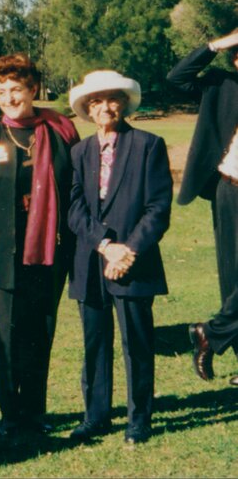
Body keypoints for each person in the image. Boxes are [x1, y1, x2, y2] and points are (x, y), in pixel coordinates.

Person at [0, 53, 79, 438]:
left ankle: (35, 412)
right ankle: (10, 415)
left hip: (51, 254)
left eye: (16, 89)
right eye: (2, 91)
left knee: (41, 333)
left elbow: (74, 193)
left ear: (33, 89)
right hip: (5, 259)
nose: (9, 98)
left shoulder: (62, 133)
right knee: (9, 337)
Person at [66, 71, 172, 445]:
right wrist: (104, 245)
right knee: (95, 343)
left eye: (111, 99)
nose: (104, 107)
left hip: (134, 264)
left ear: (124, 103)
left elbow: (158, 208)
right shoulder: (79, 152)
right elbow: (74, 207)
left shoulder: (148, 145)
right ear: (87, 109)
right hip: (91, 264)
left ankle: (138, 419)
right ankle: (95, 417)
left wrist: (127, 250)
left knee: (137, 343)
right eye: (95, 102)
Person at [166, 30, 238, 386]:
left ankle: (210, 332)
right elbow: (176, 78)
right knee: (232, 277)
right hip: (231, 191)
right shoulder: (221, 86)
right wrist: (216, 45)